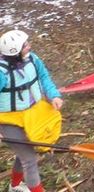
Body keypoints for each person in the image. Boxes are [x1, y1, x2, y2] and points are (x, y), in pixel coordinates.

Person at [0, 29, 63, 192]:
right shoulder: (2, 73)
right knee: (29, 159)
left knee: (24, 154)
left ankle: (14, 186)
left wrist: (54, 95)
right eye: (25, 45)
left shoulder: (33, 59)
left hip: (32, 115)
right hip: (8, 121)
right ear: (15, 52)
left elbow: (44, 77)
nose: (29, 46)